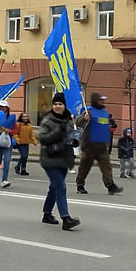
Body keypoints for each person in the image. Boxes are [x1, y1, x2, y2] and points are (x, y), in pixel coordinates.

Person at [37, 92, 81, 230]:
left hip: (63, 158)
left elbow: (68, 137)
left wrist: (74, 141)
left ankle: (47, 214)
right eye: (55, 104)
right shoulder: (47, 120)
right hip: (50, 158)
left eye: (60, 104)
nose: (57, 106)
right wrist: (57, 131)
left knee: (54, 187)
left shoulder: (68, 120)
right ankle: (66, 218)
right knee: (61, 187)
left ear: (64, 105)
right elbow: (42, 139)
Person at [76, 93, 122, 196]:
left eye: (103, 100)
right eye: (101, 100)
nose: (103, 101)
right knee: (84, 167)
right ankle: (80, 184)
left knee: (106, 167)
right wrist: (84, 119)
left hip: (101, 146)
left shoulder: (105, 113)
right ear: (95, 101)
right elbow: (78, 123)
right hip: (89, 146)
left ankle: (110, 186)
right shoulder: (89, 111)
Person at [0, 99, 17, 187]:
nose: (1, 108)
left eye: (3, 107)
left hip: (8, 142)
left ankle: (5, 180)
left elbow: (16, 130)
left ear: (7, 108)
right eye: (0, 106)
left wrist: (10, 131)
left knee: (7, 160)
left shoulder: (11, 118)